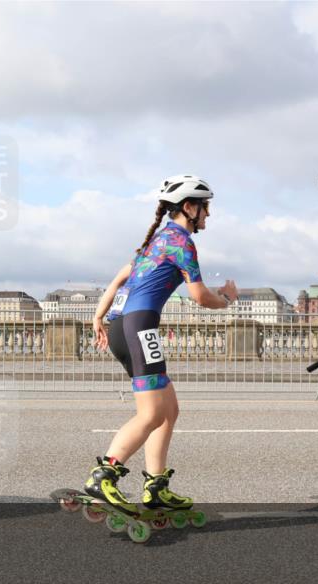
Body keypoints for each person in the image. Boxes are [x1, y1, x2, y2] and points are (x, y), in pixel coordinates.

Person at [86, 175, 238, 516]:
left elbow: (118, 279)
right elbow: (199, 296)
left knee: (168, 410)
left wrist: (98, 316)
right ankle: (104, 474)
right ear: (189, 207)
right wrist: (227, 298)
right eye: (205, 208)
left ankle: (155, 486)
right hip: (140, 327)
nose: (208, 216)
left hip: (120, 325)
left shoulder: (154, 241)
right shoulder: (181, 242)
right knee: (152, 413)